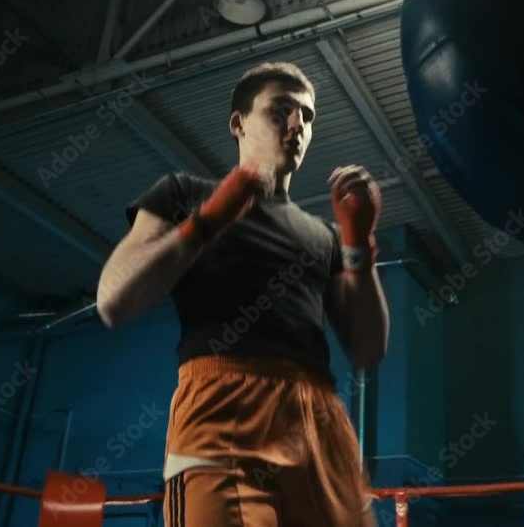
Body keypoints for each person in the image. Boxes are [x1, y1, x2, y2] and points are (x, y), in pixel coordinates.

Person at [95, 61, 388, 527]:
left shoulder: (324, 235)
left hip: (319, 417)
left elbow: (368, 349)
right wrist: (207, 220)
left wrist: (357, 244)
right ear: (238, 123)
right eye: (282, 109)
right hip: (221, 409)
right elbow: (113, 301)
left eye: (308, 117)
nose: (298, 125)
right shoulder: (183, 193)